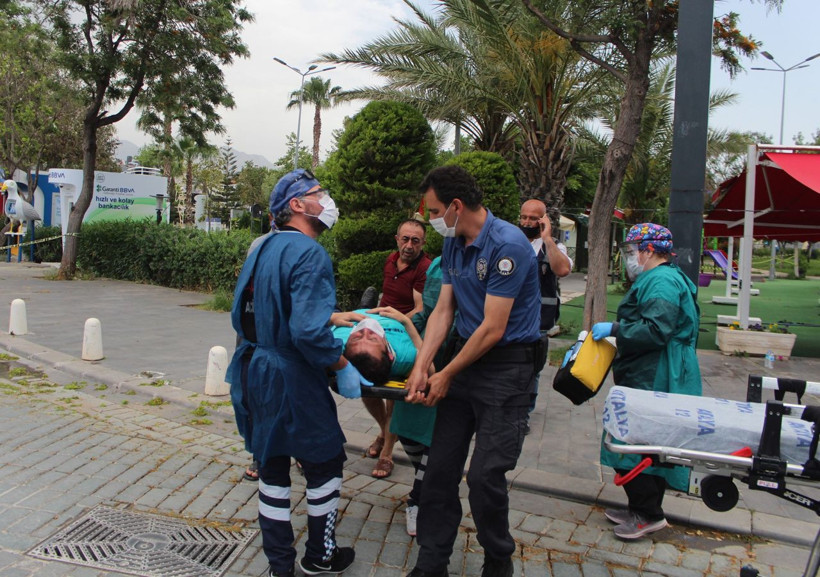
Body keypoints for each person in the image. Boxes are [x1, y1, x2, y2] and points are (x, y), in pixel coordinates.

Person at [226, 169, 373, 577]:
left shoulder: (262, 247)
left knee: (271, 469)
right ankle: (320, 557)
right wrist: (341, 364)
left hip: (255, 369)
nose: (326, 199)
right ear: (296, 205)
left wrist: (327, 316)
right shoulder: (310, 253)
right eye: (318, 193)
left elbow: (251, 312)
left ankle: (279, 566)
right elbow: (307, 332)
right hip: (291, 375)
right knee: (324, 462)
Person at [404, 165, 546, 577]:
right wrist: (422, 364)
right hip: (465, 363)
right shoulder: (455, 242)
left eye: (432, 210)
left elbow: (492, 327)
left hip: (507, 370)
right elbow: (444, 309)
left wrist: (445, 374)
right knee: (439, 469)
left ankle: (498, 559)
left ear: (456, 206)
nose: (430, 220)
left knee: (484, 477)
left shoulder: (508, 245)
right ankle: (431, 562)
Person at [591, 223, 702, 541]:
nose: (629, 257)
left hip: (657, 373)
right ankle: (641, 508)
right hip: (656, 368)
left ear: (649, 250)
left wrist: (613, 329)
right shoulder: (663, 277)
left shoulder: (662, 281)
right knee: (646, 444)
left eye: (632, 251)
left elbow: (656, 330)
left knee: (635, 442)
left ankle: (649, 514)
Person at [363, 219, 432, 478]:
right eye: (405, 239)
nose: (409, 245)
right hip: (382, 329)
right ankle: (384, 431)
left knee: (393, 395)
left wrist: (397, 321)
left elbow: (420, 308)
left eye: (415, 240)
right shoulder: (391, 260)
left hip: (403, 334)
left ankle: (387, 454)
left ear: (423, 243)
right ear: (397, 239)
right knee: (366, 383)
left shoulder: (424, 268)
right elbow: (386, 294)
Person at [518, 199, 572, 434]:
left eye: (533, 218)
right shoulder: (512, 241)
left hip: (539, 319)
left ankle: (524, 413)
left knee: (532, 366)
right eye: (524, 217)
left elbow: (562, 270)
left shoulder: (554, 246)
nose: (528, 222)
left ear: (543, 220)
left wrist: (547, 238)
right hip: (511, 316)